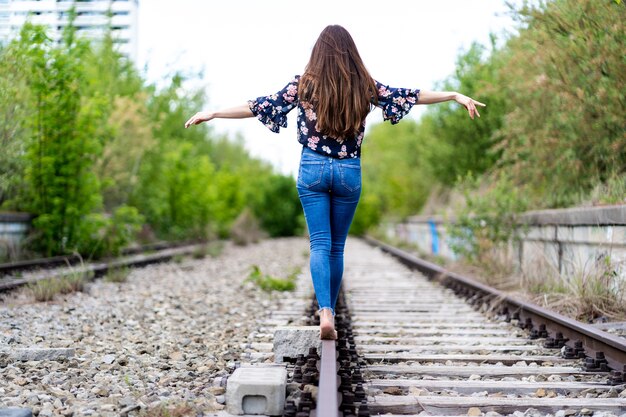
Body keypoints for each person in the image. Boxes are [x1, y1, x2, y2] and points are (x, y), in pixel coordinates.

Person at [185, 24, 485, 340]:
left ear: (318, 53)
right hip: (348, 171)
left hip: (312, 168)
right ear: (351, 53)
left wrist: (214, 113)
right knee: (336, 247)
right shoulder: (364, 86)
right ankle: (329, 311)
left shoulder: (303, 86)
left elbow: (258, 105)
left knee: (319, 243)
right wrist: (453, 95)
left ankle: (325, 311)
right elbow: (410, 95)